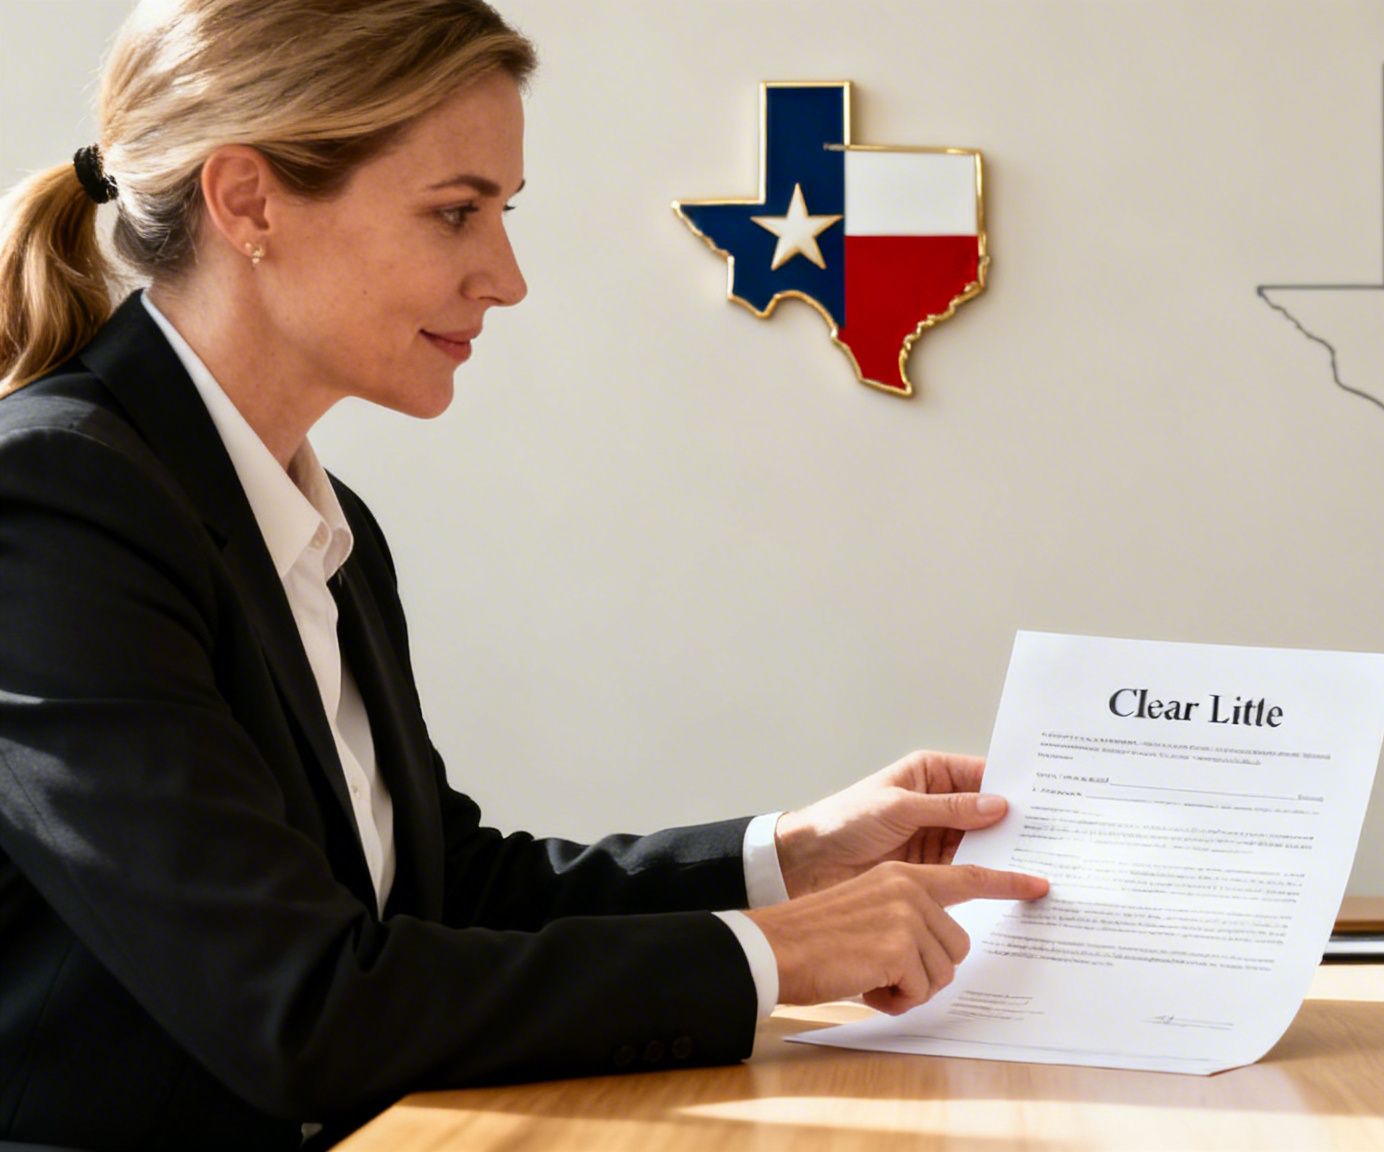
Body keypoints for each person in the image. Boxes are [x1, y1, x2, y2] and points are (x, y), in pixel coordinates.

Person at [0, 2, 1046, 1147]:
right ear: (248, 201)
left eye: (502, 212)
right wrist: (780, 956)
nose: (505, 276)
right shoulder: (52, 506)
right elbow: (300, 1003)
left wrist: (790, 859)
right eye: (456, 213)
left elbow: (442, 894)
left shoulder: (318, 520)